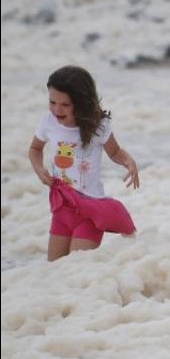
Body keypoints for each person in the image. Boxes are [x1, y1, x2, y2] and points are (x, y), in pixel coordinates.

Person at [28, 66, 140, 261]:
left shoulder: (98, 126)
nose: (56, 109)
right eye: (52, 102)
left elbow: (114, 152)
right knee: (54, 270)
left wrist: (128, 161)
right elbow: (35, 149)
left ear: (81, 104)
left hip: (91, 212)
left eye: (65, 104)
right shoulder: (48, 122)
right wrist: (39, 169)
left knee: (76, 268)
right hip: (62, 208)